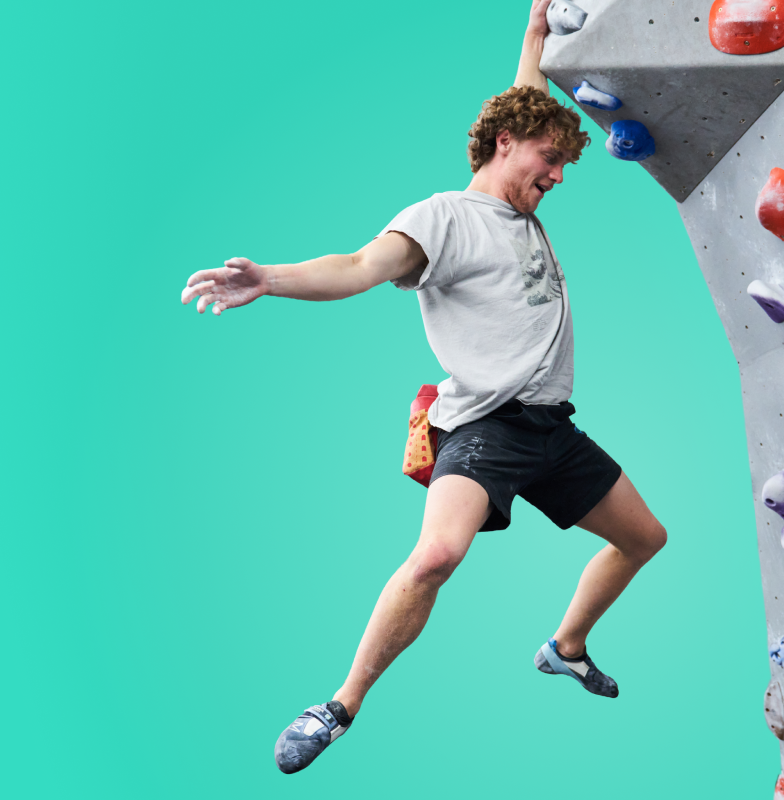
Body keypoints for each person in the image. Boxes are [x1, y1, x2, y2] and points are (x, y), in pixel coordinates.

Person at [180, 0, 667, 776]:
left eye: (565, 164)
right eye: (550, 158)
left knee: (645, 539)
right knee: (438, 555)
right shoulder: (443, 219)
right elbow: (357, 267)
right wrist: (267, 279)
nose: (560, 174)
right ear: (505, 146)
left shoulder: (517, 202)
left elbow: (527, 105)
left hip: (553, 428)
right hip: (485, 427)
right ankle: (338, 704)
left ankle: (564, 648)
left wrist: (535, 34)